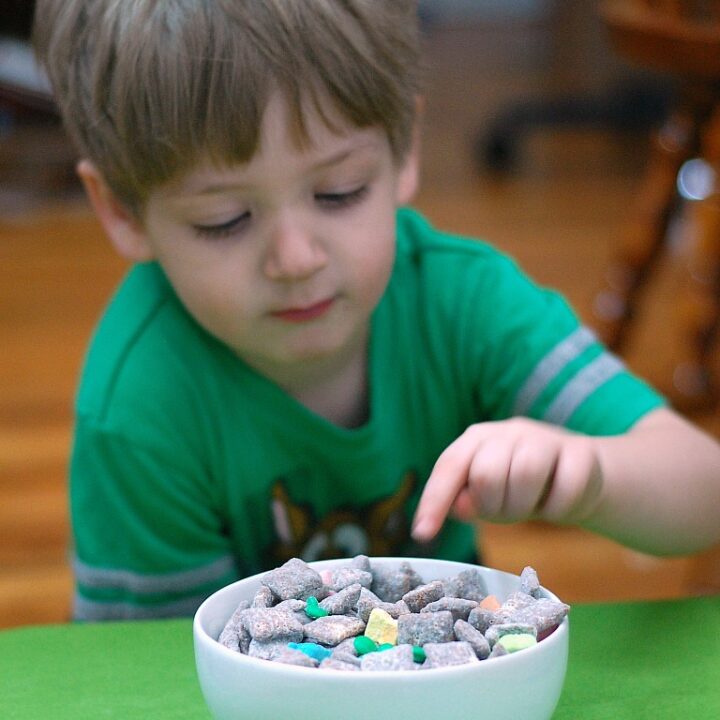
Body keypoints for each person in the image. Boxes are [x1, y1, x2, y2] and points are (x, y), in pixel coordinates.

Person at [33, 0, 720, 622]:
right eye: (225, 219)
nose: (296, 258)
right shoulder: (141, 406)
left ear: (404, 149)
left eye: (338, 191)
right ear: (121, 212)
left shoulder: (462, 300)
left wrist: (592, 476)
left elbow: (704, 494)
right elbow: (156, 675)